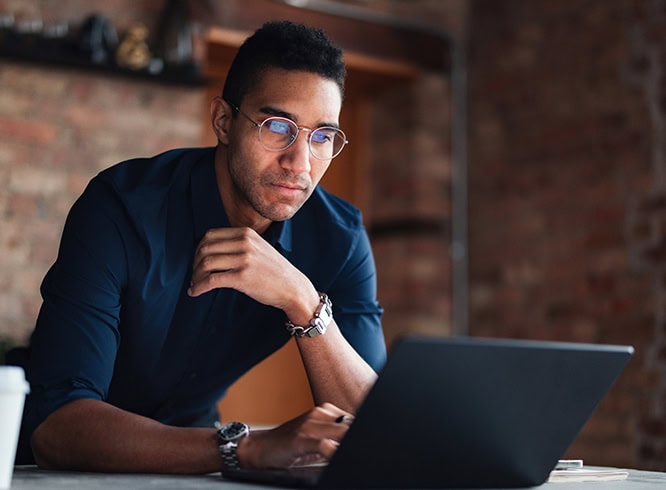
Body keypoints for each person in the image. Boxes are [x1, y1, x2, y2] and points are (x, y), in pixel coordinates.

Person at [17, 20, 386, 473]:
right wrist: (244, 447)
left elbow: (378, 427)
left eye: (322, 136)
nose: (300, 162)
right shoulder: (122, 207)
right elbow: (56, 425)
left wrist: (304, 302)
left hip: (196, 461)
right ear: (224, 121)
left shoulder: (339, 238)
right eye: (277, 127)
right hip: (48, 467)